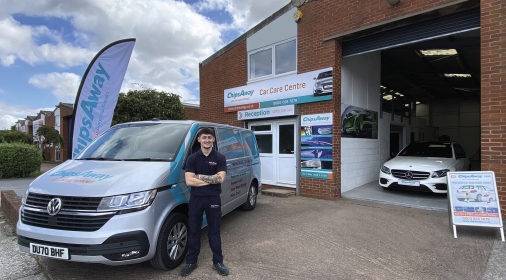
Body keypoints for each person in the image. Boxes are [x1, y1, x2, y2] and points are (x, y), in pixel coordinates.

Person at [180, 127, 229, 277]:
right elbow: (189, 181)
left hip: (213, 199)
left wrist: (199, 177)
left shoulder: (220, 157)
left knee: (214, 231)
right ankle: (191, 262)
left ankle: (218, 262)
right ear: (199, 140)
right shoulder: (192, 158)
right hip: (196, 199)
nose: (207, 140)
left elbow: (220, 178)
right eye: (204, 137)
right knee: (194, 231)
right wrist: (211, 179)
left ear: (213, 139)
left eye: (209, 137)